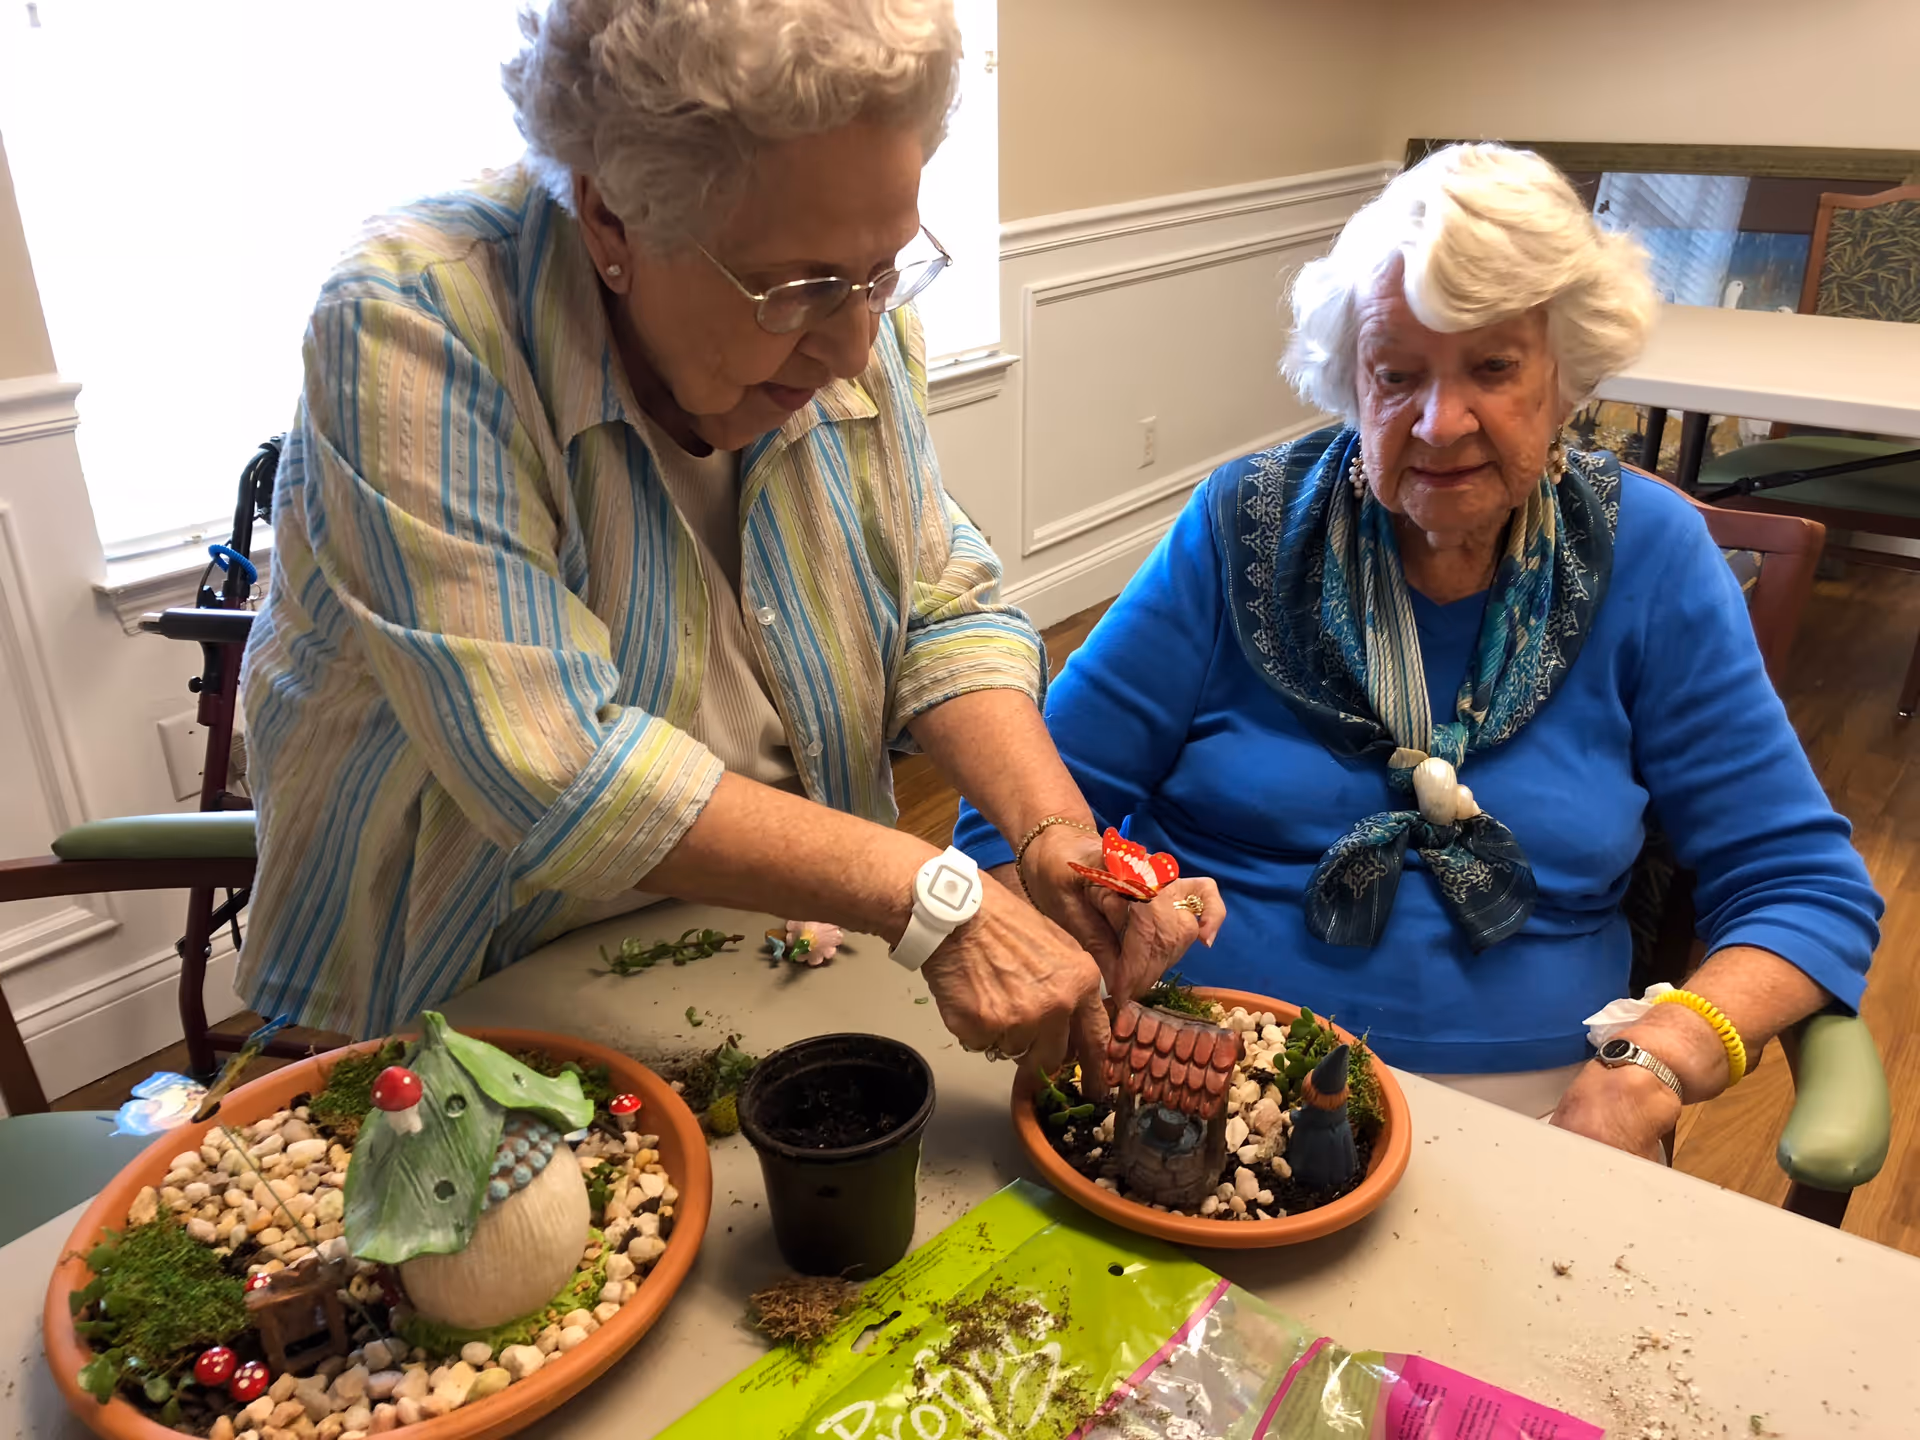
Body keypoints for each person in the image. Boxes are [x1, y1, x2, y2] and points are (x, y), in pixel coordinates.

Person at [238, 0, 1217, 1065]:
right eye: (798, 291)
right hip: (461, 983)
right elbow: (559, 766)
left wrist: (1051, 834)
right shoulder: (416, 320)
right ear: (611, 220)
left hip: (780, 936)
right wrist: (934, 897)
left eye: (883, 270)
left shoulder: (854, 302)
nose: (854, 345)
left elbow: (935, 604)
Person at [955, 144, 1882, 1158]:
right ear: (1350, 380)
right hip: (1204, 1073)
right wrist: (1093, 974)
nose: (1441, 422)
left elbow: (1802, 883)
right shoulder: (1241, 529)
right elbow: (1020, 813)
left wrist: (1652, 1064)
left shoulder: (1652, 556)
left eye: (1492, 367)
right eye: (1397, 376)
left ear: (1566, 374)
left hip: (1541, 1111)